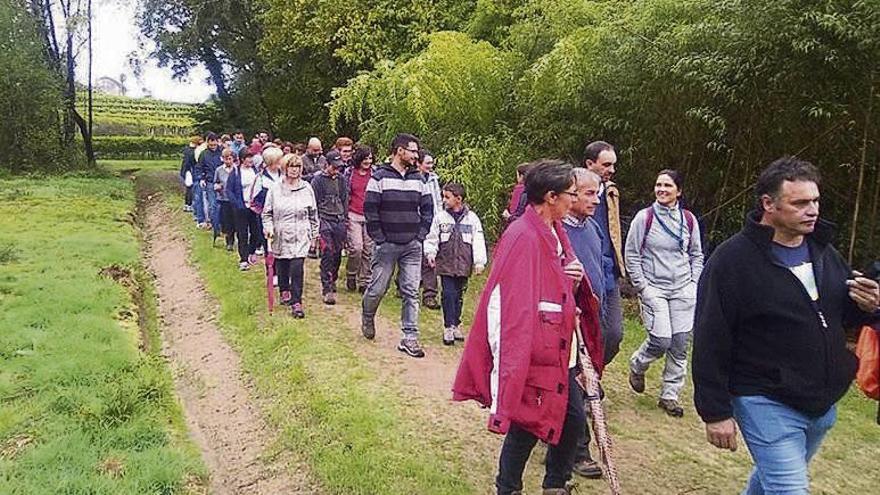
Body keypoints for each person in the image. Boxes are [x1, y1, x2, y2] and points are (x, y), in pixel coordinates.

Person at [692, 157, 880, 494]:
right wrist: (714, 410)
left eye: (815, 201)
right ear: (769, 204)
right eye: (800, 203)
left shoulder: (823, 252)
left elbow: (836, 318)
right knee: (789, 489)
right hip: (763, 398)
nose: (812, 210)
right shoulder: (733, 261)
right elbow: (710, 337)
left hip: (820, 404)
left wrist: (870, 308)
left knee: (769, 483)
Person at [453, 160, 598, 495]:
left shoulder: (555, 231)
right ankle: (508, 488)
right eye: (570, 194)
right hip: (536, 348)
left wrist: (570, 279)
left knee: (572, 417)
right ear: (550, 197)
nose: (574, 201)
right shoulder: (522, 236)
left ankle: (555, 483)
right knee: (526, 423)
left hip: (560, 346)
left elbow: (552, 281)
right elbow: (512, 307)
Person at [624, 169, 703, 417]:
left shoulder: (688, 220)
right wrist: (643, 287)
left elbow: (696, 254)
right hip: (654, 288)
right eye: (658, 185)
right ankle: (637, 365)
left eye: (668, 186)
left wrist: (693, 284)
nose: (661, 190)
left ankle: (669, 395)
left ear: (678, 191)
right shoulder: (643, 218)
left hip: (682, 289)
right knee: (661, 341)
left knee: (679, 345)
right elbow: (632, 255)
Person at [362, 133, 434, 358]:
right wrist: (379, 238)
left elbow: (428, 209)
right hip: (386, 245)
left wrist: (420, 235)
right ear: (399, 151)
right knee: (378, 289)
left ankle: (410, 337)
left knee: (411, 291)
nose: (416, 155)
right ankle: (368, 315)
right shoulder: (379, 177)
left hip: (412, 245)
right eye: (412, 151)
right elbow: (370, 210)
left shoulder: (419, 179)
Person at [562, 168, 606, 479]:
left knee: (580, 386)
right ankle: (578, 452)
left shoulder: (592, 228)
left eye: (598, 193)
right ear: (571, 193)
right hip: (566, 324)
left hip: (591, 320)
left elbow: (601, 262)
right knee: (577, 387)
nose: (597, 200)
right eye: (590, 193)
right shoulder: (555, 232)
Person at [424, 182, 487, 346]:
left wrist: (479, 262)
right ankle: (448, 326)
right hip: (446, 263)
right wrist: (431, 253)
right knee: (448, 294)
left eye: (447, 197)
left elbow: (478, 240)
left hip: (463, 264)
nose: (444, 200)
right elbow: (432, 237)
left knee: (459, 295)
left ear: (458, 199)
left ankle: (456, 323)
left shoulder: (472, 219)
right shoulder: (440, 217)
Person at [582, 140, 624, 365]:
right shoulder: (571, 192)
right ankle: (586, 380)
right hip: (585, 270)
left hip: (608, 271)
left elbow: (614, 231)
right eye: (606, 164)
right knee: (586, 330)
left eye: (613, 165)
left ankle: (593, 372)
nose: (612, 170)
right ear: (590, 164)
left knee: (614, 333)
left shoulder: (612, 192)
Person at [262, 154, 319, 318]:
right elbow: (267, 214)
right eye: (291, 166)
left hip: (301, 234)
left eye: (298, 166)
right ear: (285, 168)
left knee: (297, 267)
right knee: (283, 265)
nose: (295, 170)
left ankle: (296, 301)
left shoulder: (307, 188)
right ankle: (284, 289)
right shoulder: (275, 189)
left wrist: (315, 234)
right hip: (280, 233)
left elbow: (313, 214)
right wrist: (269, 228)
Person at [311, 150, 349, 304]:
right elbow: (315, 203)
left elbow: (345, 199)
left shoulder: (341, 179)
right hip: (324, 219)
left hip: (339, 219)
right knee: (327, 252)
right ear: (326, 165)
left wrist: (345, 219)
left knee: (338, 253)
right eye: (334, 167)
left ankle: (333, 278)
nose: (336, 170)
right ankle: (326, 288)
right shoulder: (318, 181)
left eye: (338, 168)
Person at [344, 145, 375, 293]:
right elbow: (345, 194)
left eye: (370, 158)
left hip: (370, 215)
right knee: (356, 248)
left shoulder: (375, 173)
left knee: (368, 250)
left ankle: (365, 280)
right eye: (365, 158)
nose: (368, 161)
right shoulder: (350, 173)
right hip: (353, 214)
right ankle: (351, 274)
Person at [226, 151, 262, 271]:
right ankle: (243, 259)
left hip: (254, 208)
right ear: (242, 159)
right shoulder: (235, 172)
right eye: (248, 158)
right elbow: (229, 190)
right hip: (241, 208)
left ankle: (251, 252)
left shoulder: (256, 172)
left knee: (256, 232)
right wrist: (237, 204)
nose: (251, 161)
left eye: (251, 158)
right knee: (242, 234)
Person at [418, 151, 442, 309]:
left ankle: (429, 294)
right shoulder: (413, 179)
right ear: (419, 163)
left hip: (432, 221)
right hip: (416, 222)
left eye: (432, 163)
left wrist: (440, 219)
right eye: (428, 163)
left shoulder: (434, 179)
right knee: (412, 256)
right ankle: (404, 285)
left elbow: (438, 200)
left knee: (429, 257)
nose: (430, 166)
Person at [195, 132, 223, 229]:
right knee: (212, 204)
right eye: (211, 145)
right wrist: (201, 178)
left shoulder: (222, 153)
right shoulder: (204, 154)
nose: (213, 147)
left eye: (214, 144)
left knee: (222, 204)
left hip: (222, 182)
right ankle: (214, 223)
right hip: (210, 181)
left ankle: (221, 223)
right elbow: (199, 167)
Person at [213, 148, 238, 250]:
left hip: (235, 199)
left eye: (230, 159)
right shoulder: (219, 170)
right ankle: (229, 242)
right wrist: (217, 187)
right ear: (222, 159)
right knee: (227, 222)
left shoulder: (237, 170)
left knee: (235, 220)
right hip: (223, 199)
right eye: (226, 159)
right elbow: (216, 182)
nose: (228, 161)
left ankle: (237, 239)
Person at [503, 161, 535, 226]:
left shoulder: (522, 192)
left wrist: (509, 217)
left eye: (517, 175)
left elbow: (520, 214)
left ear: (521, 176)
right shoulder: (537, 192)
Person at [179, 136, 201, 213]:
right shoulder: (192, 151)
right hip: (189, 171)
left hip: (186, 171)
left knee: (189, 188)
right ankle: (189, 204)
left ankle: (187, 204)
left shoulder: (187, 150)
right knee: (191, 188)